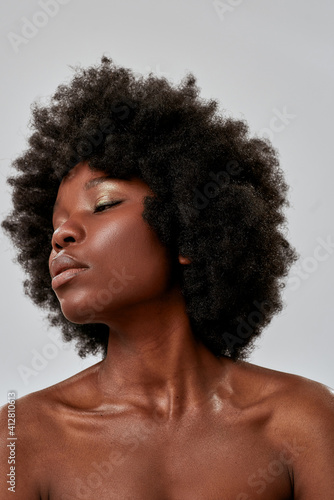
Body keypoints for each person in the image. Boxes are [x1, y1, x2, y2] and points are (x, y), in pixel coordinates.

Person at [0, 56, 333, 499]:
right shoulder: (19, 439)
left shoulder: (303, 419)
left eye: (102, 205)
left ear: (187, 234)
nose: (61, 236)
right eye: (54, 228)